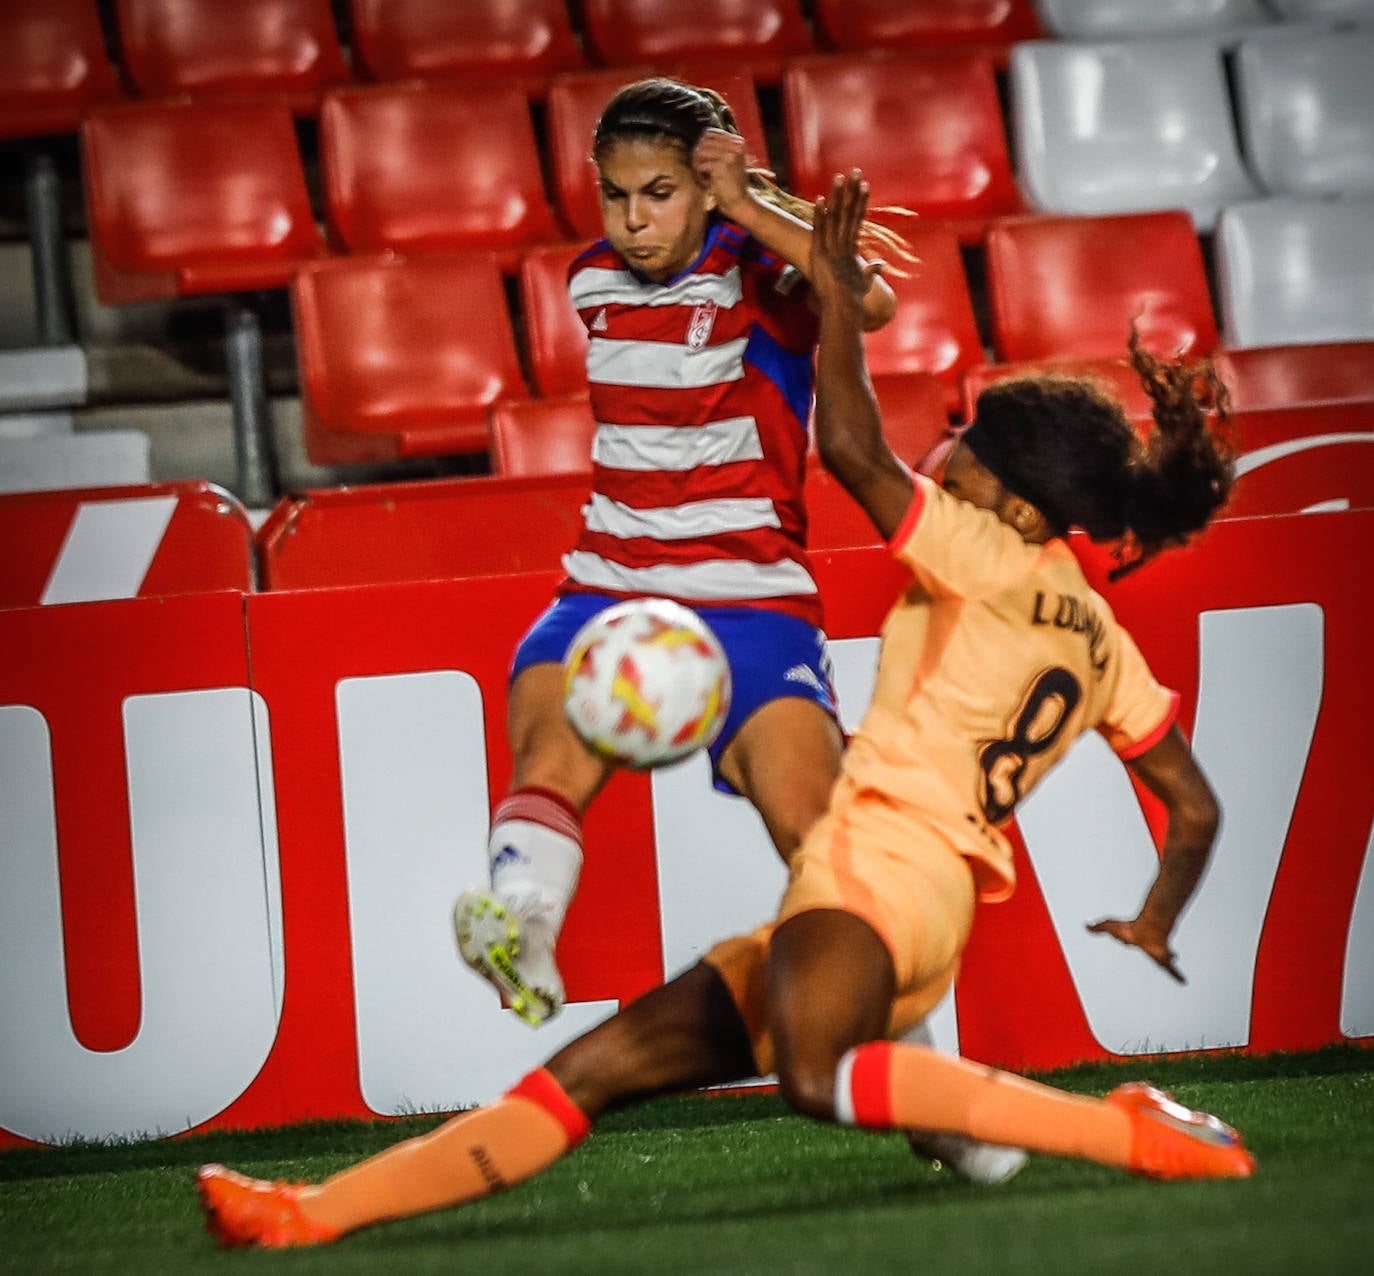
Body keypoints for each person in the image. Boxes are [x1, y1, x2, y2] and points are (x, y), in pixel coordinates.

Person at [196, 173, 1253, 1250]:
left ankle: (1117, 1129)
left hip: (881, 876)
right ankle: (307, 1215)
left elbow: (846, 448)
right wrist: (1157, 917)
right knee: (591, 1069)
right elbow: (1197, 806)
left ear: (1025, 509)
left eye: (969, 457)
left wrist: (838, 300)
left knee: (813, 1072)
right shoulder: (1103, 641)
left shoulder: (988, 555)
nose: (951, 461)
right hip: (895, 890)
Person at [453, 78, 911, 1029]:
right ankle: (523, 925)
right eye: (615, 195)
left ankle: (916, 1056)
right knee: (545, 754)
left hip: (749, 598)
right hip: (607, 586)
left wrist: (747, 206)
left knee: (817, 838)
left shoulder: (762, 272)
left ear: (704, 187)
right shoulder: (590, 285)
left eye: (658, 193)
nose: (632, 220)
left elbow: (865, 303)